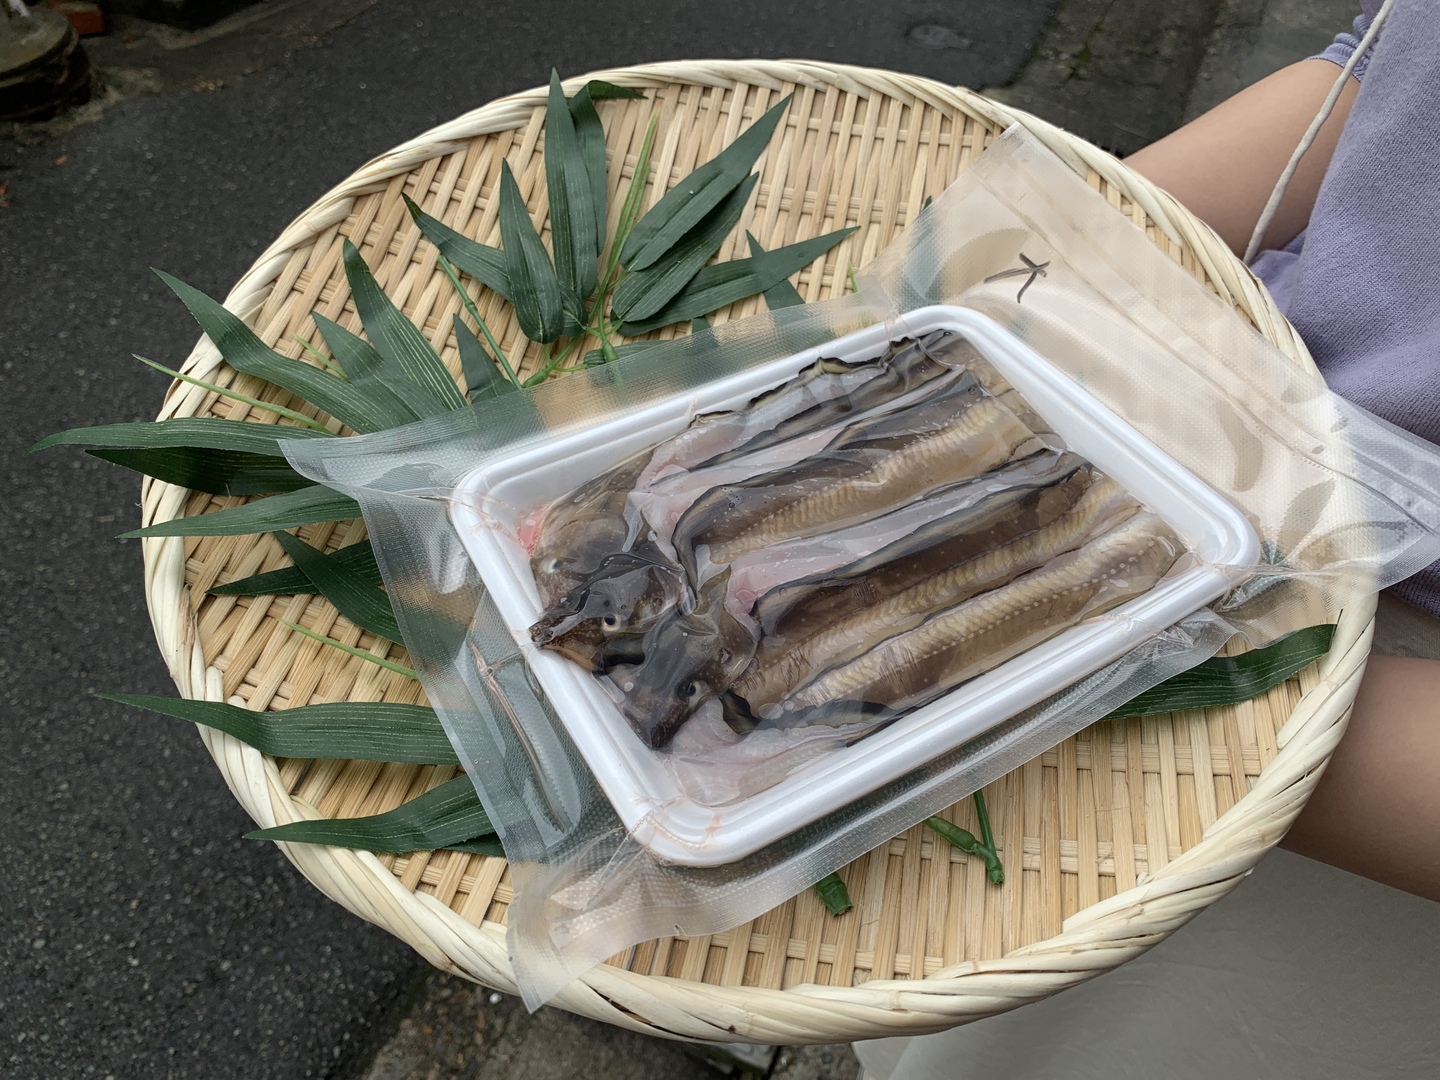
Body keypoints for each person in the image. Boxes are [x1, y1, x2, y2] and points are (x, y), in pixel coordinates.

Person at [855, 4, 1440, 1076]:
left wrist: (1165, 679)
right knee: (930, 992)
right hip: (1179, 437)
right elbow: (1383, 73)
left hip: (1364, 747)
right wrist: (1031, 267)